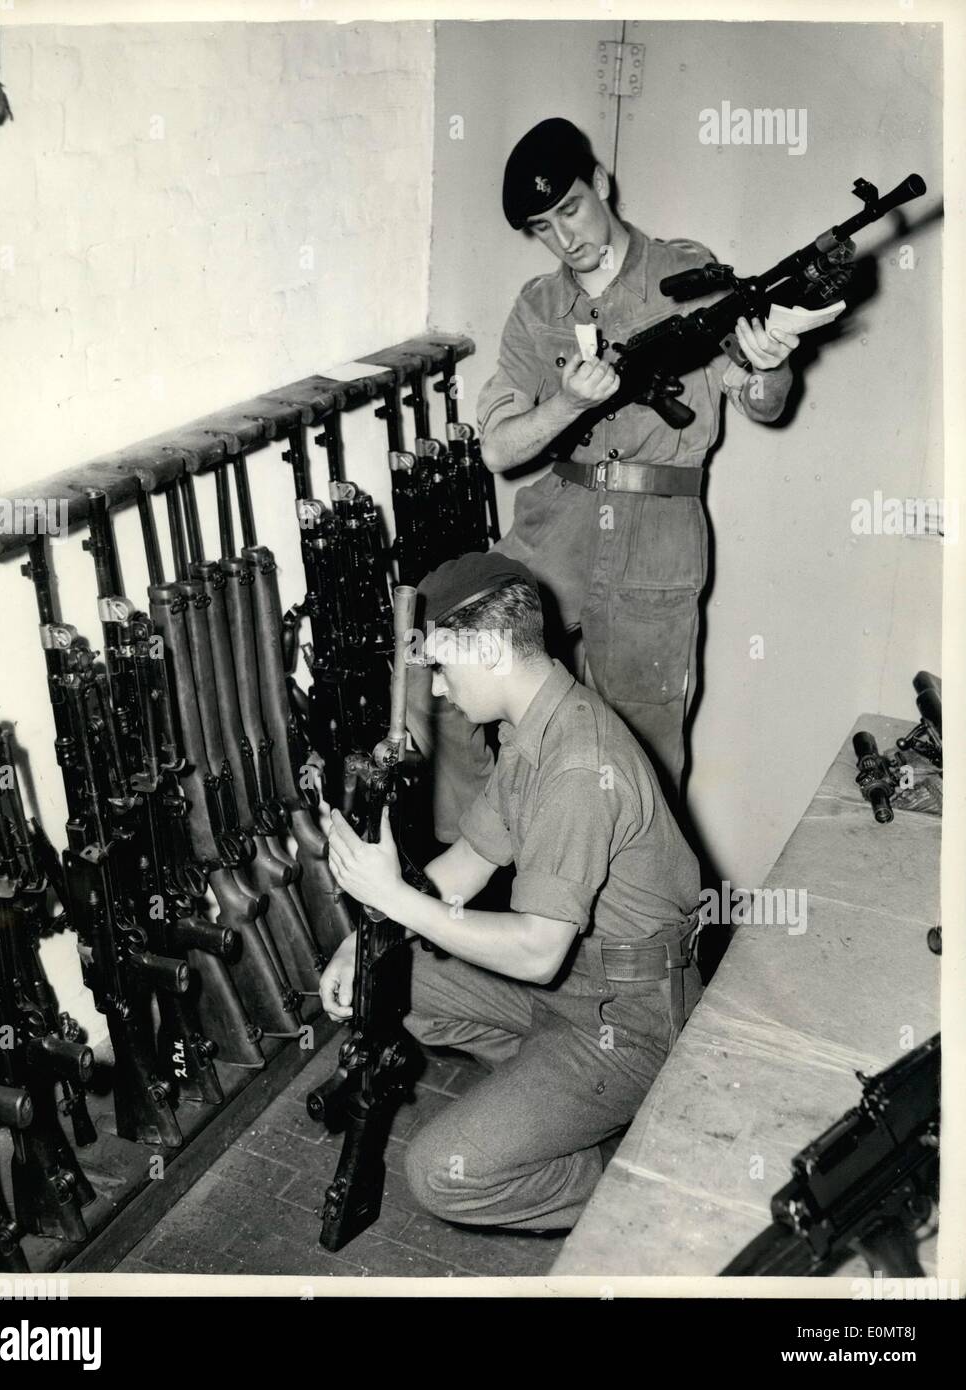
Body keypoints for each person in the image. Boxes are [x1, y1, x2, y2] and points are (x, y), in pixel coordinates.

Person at [407, 116, 800, 833]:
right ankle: (474, 869)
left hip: (657, 524)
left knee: (642, 750)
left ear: (602, 185)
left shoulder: (686, 277)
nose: (565, 239)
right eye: (542, 227)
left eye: (571, 210)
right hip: (560, 517)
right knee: (434, 656)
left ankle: (628, 933)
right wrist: (566, 403)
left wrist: (767, 365)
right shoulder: (537, 307)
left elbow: (763, 404)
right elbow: (498, 449)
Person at [321, 552, 703, 1232]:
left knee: (442, 1173)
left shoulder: (579, 766)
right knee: (384, 985)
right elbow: (468, 861)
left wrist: (398, 899)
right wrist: (366, 937)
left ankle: (638, 1181)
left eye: (442, 666)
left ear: (492, 651)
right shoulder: (532, 726)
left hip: (629, 1020)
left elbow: (535, 953)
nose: (436, 689)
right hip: (568, 992)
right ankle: (549, 1092)